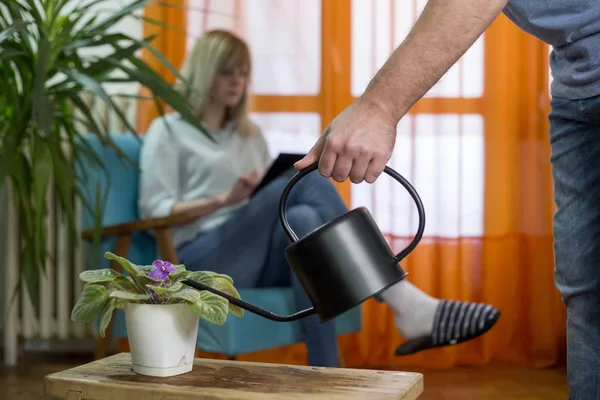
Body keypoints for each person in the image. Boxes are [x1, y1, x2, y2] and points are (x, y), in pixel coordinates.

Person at [138, 29, 500, 368]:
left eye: (243, 73)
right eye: (227, 72)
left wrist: (250, 197)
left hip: (255, 255)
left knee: (307, 222)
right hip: (199, 259)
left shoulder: (249, 137)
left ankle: (327, 374)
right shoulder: (169, 132)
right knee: (305, 180)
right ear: (204, 73)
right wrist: (223, 199)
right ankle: (402, 299)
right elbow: (153, 210)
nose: (238, 82)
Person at [294, 0, 600, 397]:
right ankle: (403, 304)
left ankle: (398, 309)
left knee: (305, 202)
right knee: (585, 291)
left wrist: (378, 106)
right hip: (577, 82)